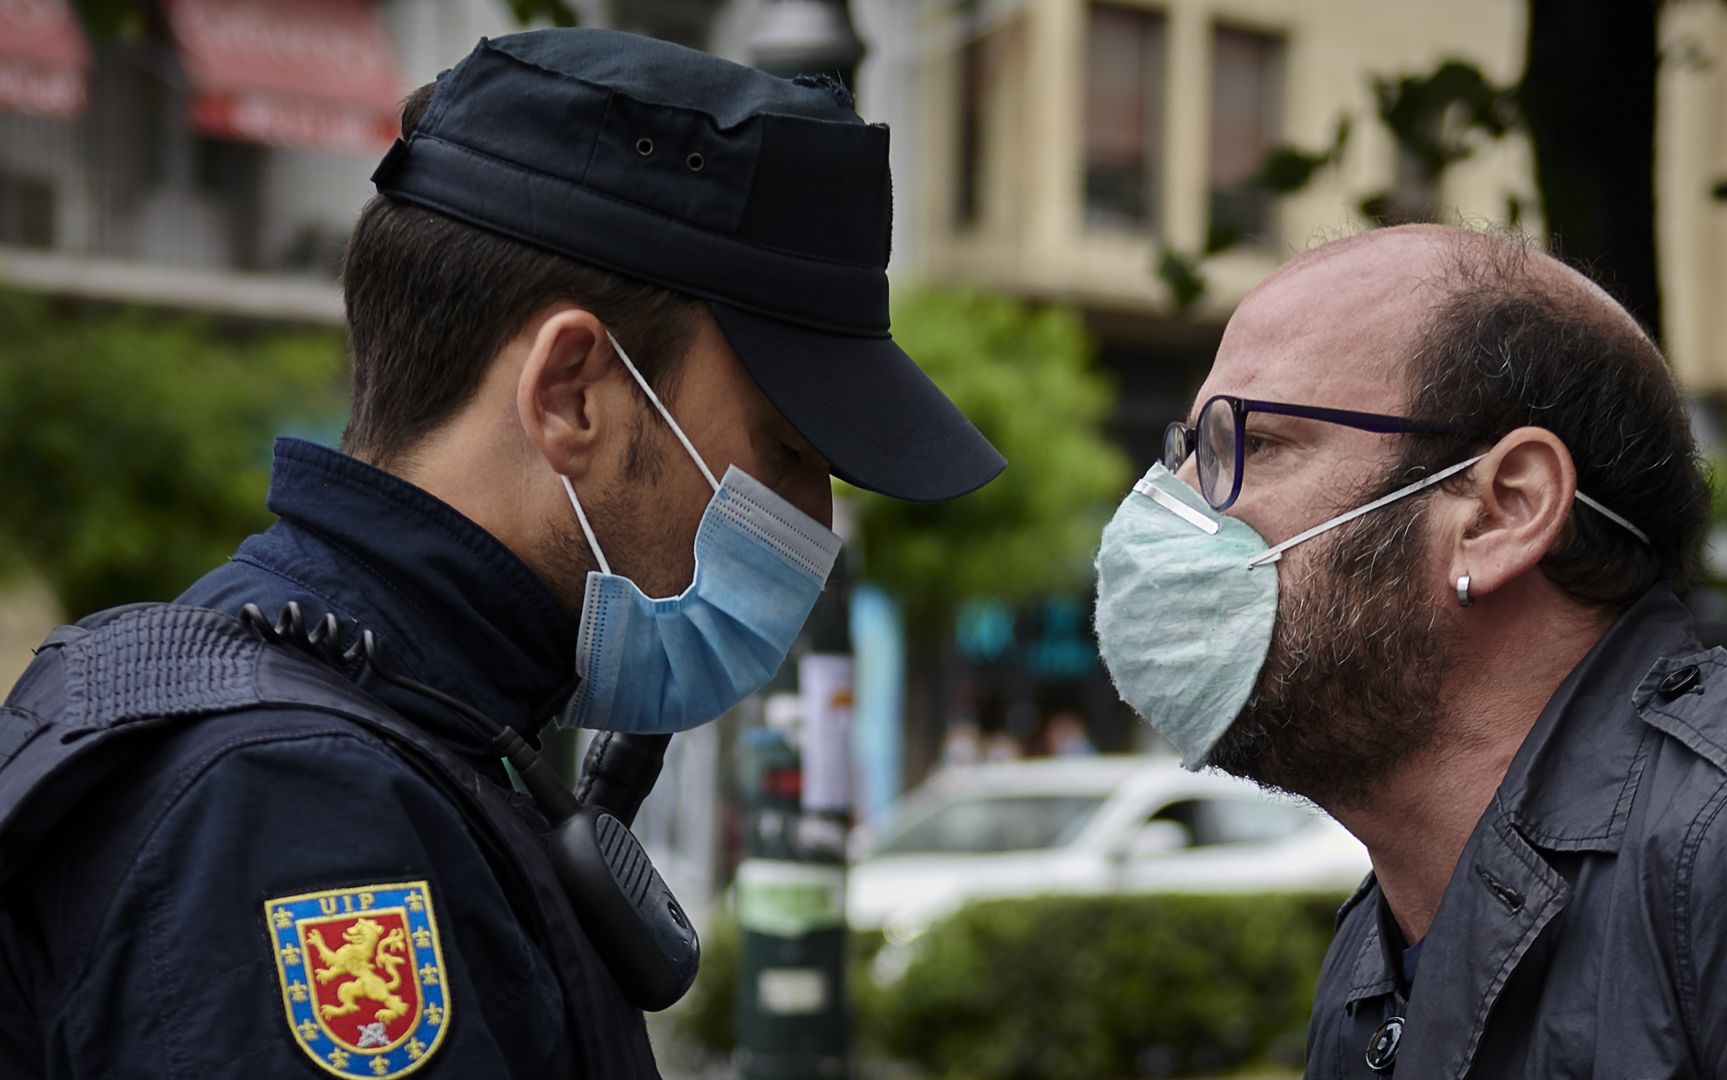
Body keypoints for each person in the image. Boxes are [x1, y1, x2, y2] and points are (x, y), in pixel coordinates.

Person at [0, 29, 1001, 1080]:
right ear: (570, 392)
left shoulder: (411, 730)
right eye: (786, 450)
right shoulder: (300, 817)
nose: (815, 522)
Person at [1093, 224, 1727, 1078]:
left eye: (1253, 444)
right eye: (1190, 452)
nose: (1172, 505)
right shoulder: (1378, 950)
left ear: (1504, 513)